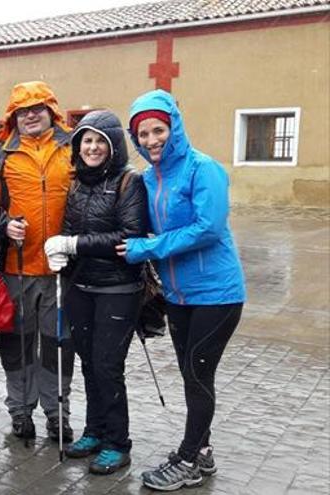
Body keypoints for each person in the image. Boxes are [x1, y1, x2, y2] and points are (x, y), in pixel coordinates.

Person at [118, 89, 246, 492]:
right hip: (178, 296)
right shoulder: (148, 177)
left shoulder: (201, 168)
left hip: (217, 293)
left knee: (197, 373)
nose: (152, 140)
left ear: (174, 128)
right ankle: (203, 453)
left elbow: (208, 228)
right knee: (193, 377)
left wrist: (147, 248)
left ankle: (188, 457)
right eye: (143, 134)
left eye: (159, 130)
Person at [42, 110, 149, 474]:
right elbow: (72, 230)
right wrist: (62, 257)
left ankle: (118, 442)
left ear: (113, 146)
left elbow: (129, 236)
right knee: (88, 363)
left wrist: (74, 244)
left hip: (118, 288)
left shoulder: (127, 182)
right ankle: (94, 430)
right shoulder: (76, 183)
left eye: (99, 141)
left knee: (107, 366)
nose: (92, 148)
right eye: (86, 140)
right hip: (81, 286)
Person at [0, 80, 75, 442]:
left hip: (61, 270)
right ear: (13, 117)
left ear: (52, 111)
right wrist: (4, 225)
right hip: (16, 268)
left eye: (38, 108)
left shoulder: (74, 149)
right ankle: (21, 412)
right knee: (17, 345)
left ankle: (58, 413)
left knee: (59, 345)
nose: (31, 115)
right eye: (23, 111)